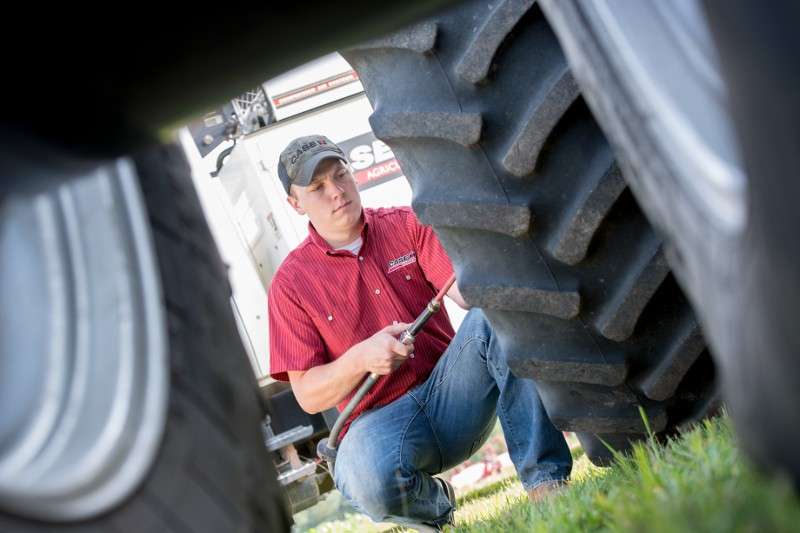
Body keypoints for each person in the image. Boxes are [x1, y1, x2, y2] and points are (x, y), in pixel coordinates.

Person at [268, 135, 572, 529]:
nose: (336, 191)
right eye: (317, 187)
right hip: (379, 425)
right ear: (295, 204)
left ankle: (546, 485)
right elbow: (308, 395)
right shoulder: (290, 285)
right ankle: (438, 506)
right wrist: (361, 358)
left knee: (494, 316)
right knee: (361, 476)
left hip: (453, 395)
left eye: (340, 174)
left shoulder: (408, 224)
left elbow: (466, 294)